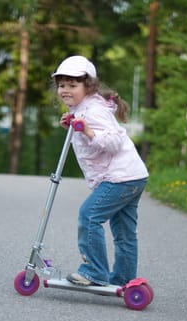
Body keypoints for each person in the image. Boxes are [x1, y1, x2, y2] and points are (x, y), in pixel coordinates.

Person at [52, 55, 149, 287]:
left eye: (72, 85)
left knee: (89, 215)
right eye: (62, 85)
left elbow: (114, 140)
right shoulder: (85, 107)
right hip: (133, 175)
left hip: (120, 178)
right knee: (124, 232)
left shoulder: (93, 109)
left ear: (88, 86)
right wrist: (74, 122)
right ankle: (124, 279)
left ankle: (95, 271)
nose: (66, 90)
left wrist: (87, 131)